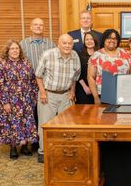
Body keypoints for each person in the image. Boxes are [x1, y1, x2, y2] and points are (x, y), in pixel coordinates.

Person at [35, 34, 81, 163]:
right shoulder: (47, 55)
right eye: (64, 43)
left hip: (66, 95)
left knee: (66, 126)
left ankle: (62, 150)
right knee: (45, 124)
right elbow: (38, 76)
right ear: (58, 44)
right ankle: (43, 152)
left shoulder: (75, 56)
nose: (67, 46)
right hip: (48, 95)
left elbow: (75, 78)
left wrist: (72, 91)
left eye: (70, 43)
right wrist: (43, 92)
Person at [0, 40, 38, 159]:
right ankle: (13, 147)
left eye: (17, 48)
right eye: (12, 49)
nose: (15, 51)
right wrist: (5, 102)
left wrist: (34, 96)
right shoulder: (0, 64)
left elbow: (33, 80)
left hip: (26, 99)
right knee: (12, 123)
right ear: (7, 50)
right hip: (10, 100)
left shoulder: (26, 62)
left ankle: (25, 146)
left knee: (26, 123)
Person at [20, 18, 56, 151]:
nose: (38, 27)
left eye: (41, 25)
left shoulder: (50, 44)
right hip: (28, 85)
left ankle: (43, 140)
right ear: (30, 27)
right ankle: (33, 141)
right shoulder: (23, 44)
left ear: (44, 28)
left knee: (44, 113)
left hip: (46, 85)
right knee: (30, 113)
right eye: (35, 24)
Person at [88, 29, 131, 104]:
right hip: (104, 96)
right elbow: (90, 77)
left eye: (115, 38)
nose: (112, 40)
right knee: (106, 116)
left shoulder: (126, 54)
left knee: (123, 115)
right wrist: (96, 97)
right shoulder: (96, 55)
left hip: (124, 95)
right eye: (109, 38)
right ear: (104, 39)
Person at [75, 32, 99, 104]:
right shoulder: (79, 55)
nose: (89, 41)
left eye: (91, 39)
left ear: (95, 40)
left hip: (98, 89)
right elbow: (77, 73)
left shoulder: (100, 54)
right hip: (84, 89)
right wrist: (85, 87)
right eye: (87, 39)